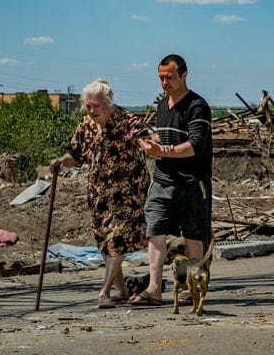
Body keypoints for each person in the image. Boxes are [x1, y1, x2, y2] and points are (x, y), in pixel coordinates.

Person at [50, 78, 150, 309]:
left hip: (128, 192)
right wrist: (61, 162)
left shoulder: (127, 120)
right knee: (105, 242)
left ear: (108, 103)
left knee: (116, 239)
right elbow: (75, 155)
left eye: (96, 106)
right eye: (88, 106)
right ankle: (122, 290)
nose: (92, 110)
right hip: (99, 193)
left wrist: (152, 145)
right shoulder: (86, 125)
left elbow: (145, 138)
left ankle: (104, 292)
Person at [130, 54, 212, 305]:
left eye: (170, 77)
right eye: (161, 77)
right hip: (162, 180)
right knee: (155, 231)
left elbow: (194, 145)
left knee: (193, 237)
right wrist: (150, 142)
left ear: (184, 75)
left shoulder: (197, 106)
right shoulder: (162, 105)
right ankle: (154, 288)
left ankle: (192, 287)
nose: (164, 82)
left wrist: (163, 151)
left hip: (191, 183)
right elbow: (163, 137)